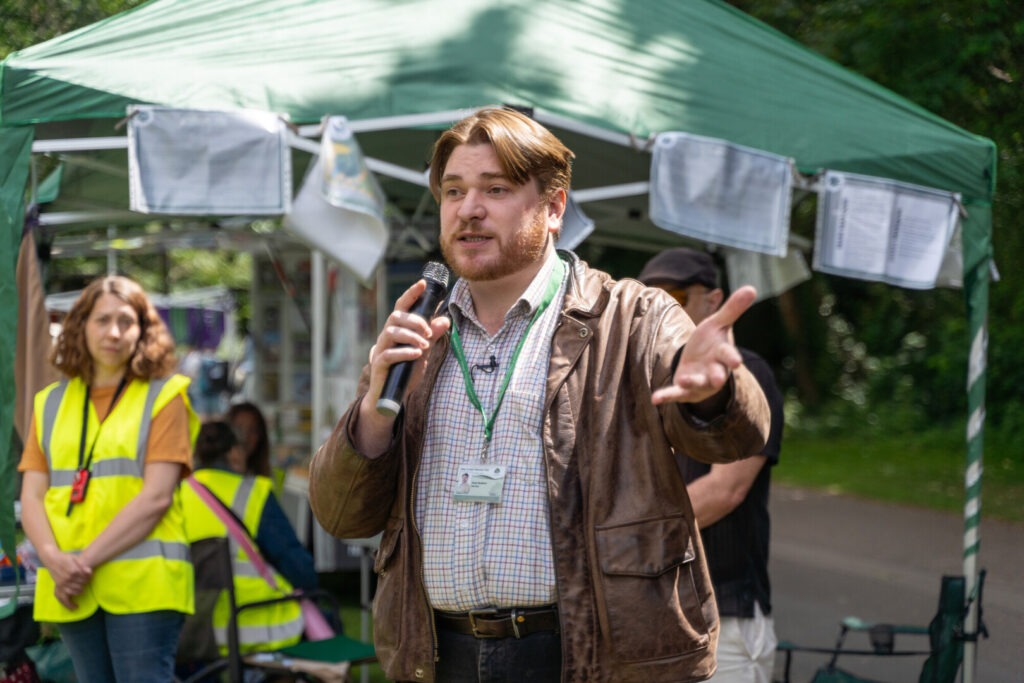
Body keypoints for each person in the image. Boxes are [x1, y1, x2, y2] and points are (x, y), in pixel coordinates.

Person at [307, 107, 771, 683]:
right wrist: (376, 414)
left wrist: (714, 393)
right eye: (453, 191)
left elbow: (736, 439)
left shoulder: (632, 316)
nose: (468, 209)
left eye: (495, 189)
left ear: (553, 209)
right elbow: (340, 514)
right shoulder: (417, 331)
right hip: (439, 656)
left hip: (588, 656)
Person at [18, 274, 200, 682]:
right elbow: (31, 497)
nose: (114, 333)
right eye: (102, 320)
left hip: (142, 586)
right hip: (70, 584)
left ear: (143, 330)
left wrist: (79, 565)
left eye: (126, 321)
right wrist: (52, 559)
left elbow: (156, 497)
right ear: (80, 326)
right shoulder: (49, 403)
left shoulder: (164, 395)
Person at [639, 248, 785, 683]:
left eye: (675, 296)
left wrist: (629, 534)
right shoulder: (640, 376)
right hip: (648, 608)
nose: (662, 309)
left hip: (724, 613)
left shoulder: (747, 373)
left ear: (713, 300)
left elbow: (725, 491)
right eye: (650, 299)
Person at [181, 421, 317, 656]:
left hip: (194, 630)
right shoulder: (253, 492)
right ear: (234, 453)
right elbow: (296, 564)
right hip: (260, 626)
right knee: (324, 615)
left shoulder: (177, 493)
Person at [226, 402, 274, 478]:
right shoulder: (210, 472)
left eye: (252, 430)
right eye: (239, 429)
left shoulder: (270, 476)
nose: (245, 437)